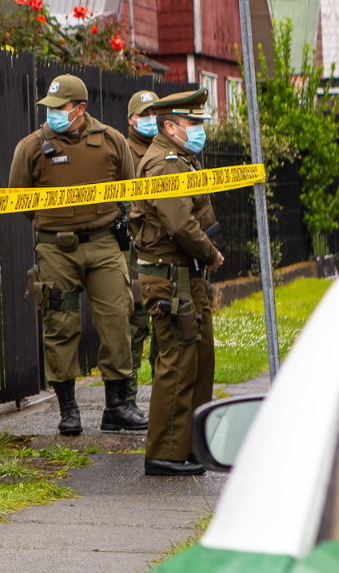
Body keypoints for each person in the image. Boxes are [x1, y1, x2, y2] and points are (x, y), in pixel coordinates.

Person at [8, 74, 148, 436]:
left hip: (104, 243)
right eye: (49, 108)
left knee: (117, 318)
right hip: (56, 248)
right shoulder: (31, 147)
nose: (52, 114)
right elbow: (18, 200)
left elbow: (128, 190)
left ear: (80, 109)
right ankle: (68, 409)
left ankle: (117, 406)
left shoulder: (112, 141)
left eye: (60, 108)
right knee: (61, 323)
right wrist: (52, 221)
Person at [129, 88, 222, 477]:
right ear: (170, 126)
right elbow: (180, 224)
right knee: (178, 363)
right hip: (171, 278)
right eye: (192, 123)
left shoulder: (182, 159)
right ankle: (164, 453)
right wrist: (211, 253)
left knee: (199, 360)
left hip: (187, 278)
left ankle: (188, 446)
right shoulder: (165, 164)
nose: (199, 129)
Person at [124, 90, 160, 417]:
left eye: (155, 113)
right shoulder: (125, 152)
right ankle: (128, 401)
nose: (151, 120)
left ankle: (163, 400)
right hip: (135, 248)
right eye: (144, 114)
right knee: (135, 324)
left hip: (164, 246)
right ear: (132, 119)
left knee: (164, 323)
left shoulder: (166, 149)